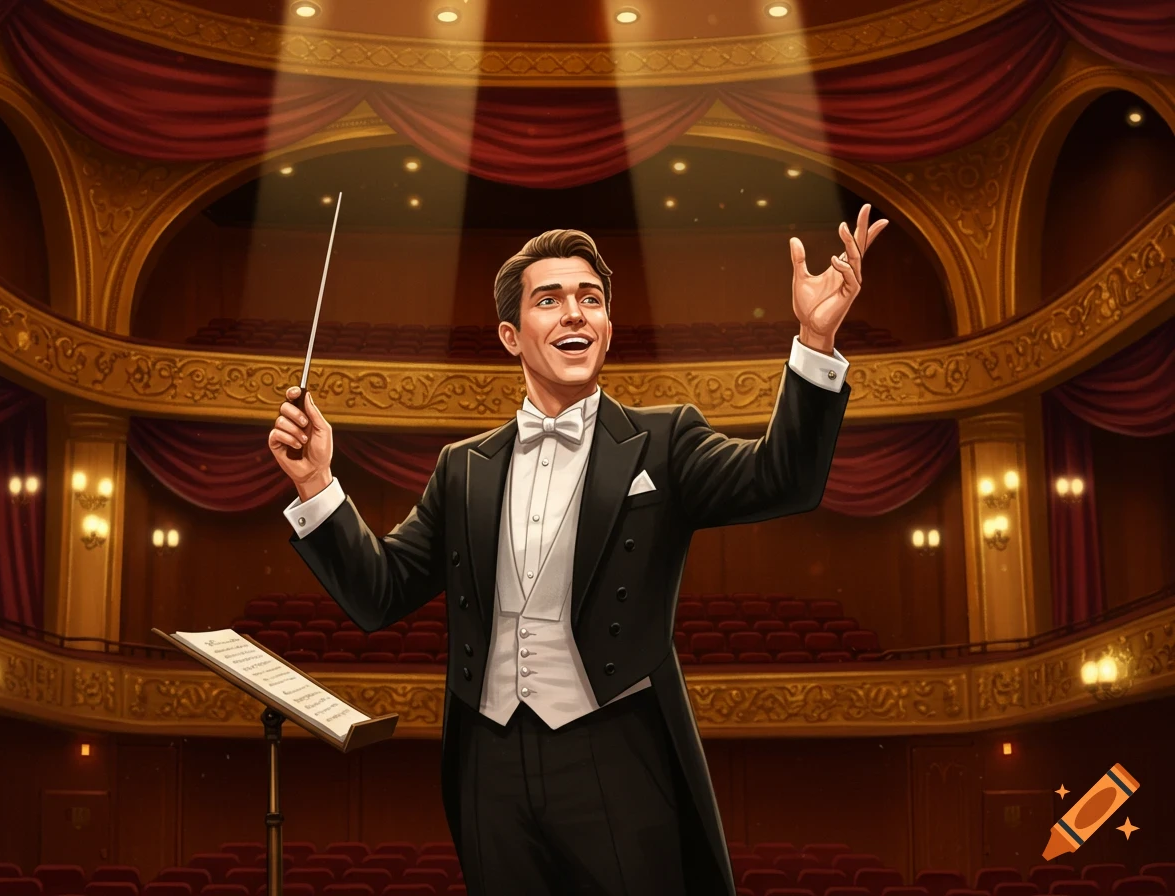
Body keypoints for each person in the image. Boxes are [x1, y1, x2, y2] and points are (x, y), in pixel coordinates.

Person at [269, 205, 889, 896]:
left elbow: (785, 480)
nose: (575, 314)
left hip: (616, 753)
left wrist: (813, 340)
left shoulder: (666, 439)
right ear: (511, 335)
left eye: (590, 300)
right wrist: (318, 484)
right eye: (550, 300)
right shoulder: (461, 466)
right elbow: (378, 595)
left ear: (608, 329)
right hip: (487, 764)